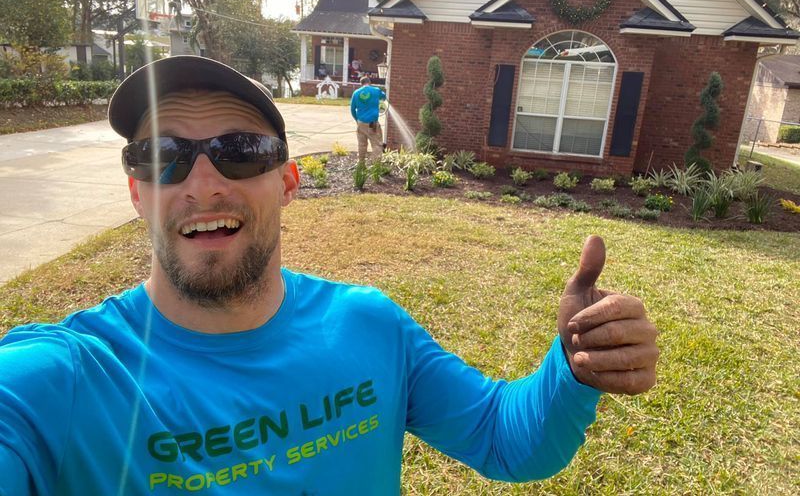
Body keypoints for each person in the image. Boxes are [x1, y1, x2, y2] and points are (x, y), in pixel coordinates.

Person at [0, 56, 658, 494]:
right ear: (138, 192)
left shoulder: (369, 325)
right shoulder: (68, 379)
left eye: (239, 152)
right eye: (162, 156)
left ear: (288, 183)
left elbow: (506, 439)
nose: (201, 183)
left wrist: (573, 369)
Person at [350, 75, 386, 163]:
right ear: (369, 82)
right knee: (376, 144)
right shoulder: (376, 90)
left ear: (361, 84)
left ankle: (361, 164)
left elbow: (352, 109)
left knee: (362, 145)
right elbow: (384, 97)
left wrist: (357, 120)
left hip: (361, 123)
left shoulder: (356, 93)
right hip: (372, 124)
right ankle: (376, 166)